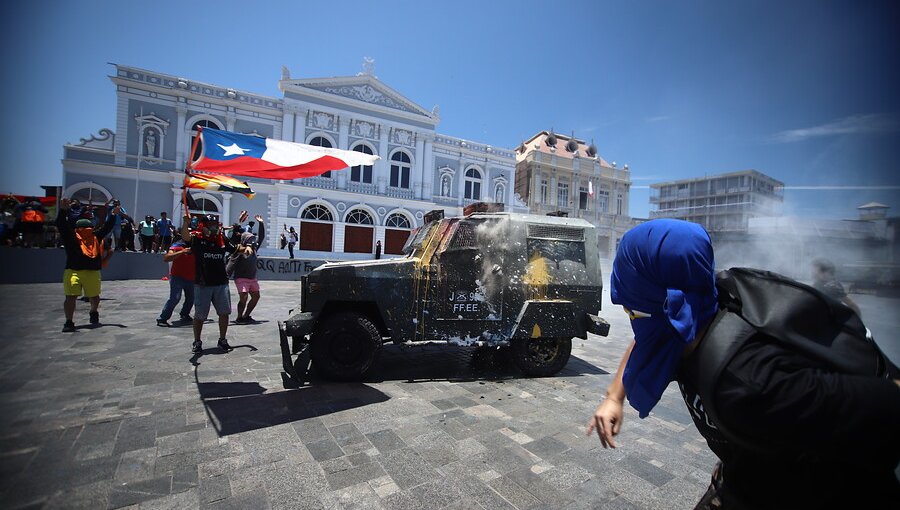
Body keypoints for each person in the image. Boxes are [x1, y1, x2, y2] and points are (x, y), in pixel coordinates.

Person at [586, 219, 900, 509]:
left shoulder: (747, 383)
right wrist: (615, 397)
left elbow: (886, 403)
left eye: (631, 295)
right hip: (750, 470)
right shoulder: (702, 303)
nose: (625, 304)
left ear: (671, 303)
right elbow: (649, 337)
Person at [57, 198, 120, 332]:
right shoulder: (71, 237)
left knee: (94, 296)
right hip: (73, 271)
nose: (86, 231)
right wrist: (62, 210)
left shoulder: (95, 237)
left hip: (92, 271)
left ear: (91, 228)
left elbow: (107, 227)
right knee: (71, 296)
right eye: (83, 229)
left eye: (88, 228)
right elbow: (61, 225)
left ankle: (93, 311)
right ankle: (69, 321)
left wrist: (113, 215)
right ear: (77, 229)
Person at [182, 214, 237, 354]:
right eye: (210, 225)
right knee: (200, 315)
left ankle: (222, 339)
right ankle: (197, 341)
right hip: (203, 283)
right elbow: (186, 238)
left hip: (221, 283)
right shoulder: (197, 239)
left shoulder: (221, 240)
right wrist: (185, 223)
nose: (213, 228)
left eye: (215, 225)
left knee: (224, 313)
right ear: (203, 226)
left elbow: (235, 248)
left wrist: (246, 248)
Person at [228, 214, 265, 324]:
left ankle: (246, 315)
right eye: (250, 239)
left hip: (252, 277)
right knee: (243, 297)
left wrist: (261, 223)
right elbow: (231, 263)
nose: (253, 241)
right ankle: (239, 317)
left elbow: (261, 237)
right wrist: (226, 275)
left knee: (256, 297)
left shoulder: (254, 248)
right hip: (241, 278)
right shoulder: (239, 250)